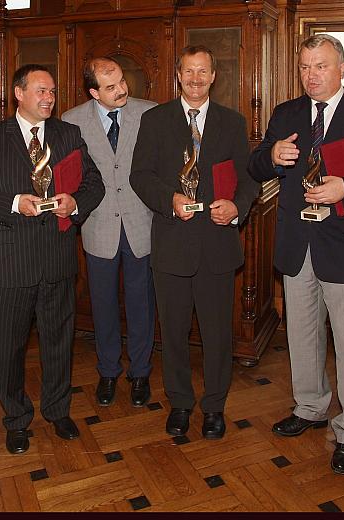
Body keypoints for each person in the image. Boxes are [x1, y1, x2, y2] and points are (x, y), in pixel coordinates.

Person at [248, 34, 344, 474]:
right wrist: (273, 156)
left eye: (320, 66)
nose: (311, 75)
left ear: (341, 68)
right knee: (301, 336)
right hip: (297, 246)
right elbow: (256, 164)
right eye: (304, 67)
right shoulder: (286, 114)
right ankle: (310, 407)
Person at [0, 64, 105, 454]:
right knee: (10, 347)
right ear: (18, 93)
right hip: (13, 261)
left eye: (52, 92)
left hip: (58, 258)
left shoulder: (68, 134)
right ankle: (16, 419)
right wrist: (12, 203)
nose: (48, 99)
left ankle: (58, 410)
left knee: (59, 341)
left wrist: (75, 204)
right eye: (40, 91)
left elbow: (94, 183)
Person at [129, 45, 259, 439]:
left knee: (218, 334)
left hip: (217, 244)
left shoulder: (233, 123)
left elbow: (248, 178)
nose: (196, 78)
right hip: (172, 244)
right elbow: (140, 175)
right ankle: (181, 403)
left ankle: (215, 406)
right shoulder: (155, 120)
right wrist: (169, 199)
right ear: (178, 76)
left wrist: (236, 207)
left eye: (203, 72)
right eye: (189, 72)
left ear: (213, 77)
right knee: (173, 333)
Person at [61, 57, 157, 408]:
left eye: (121, 81)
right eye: (111, 86)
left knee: (141, 304)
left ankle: (141, 373)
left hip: (140, 225)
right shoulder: (72, 121)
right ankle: (107, 371)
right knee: (102, 306)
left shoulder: (150, 113)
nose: (121, 90)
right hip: (98, 227)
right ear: (93, 92)